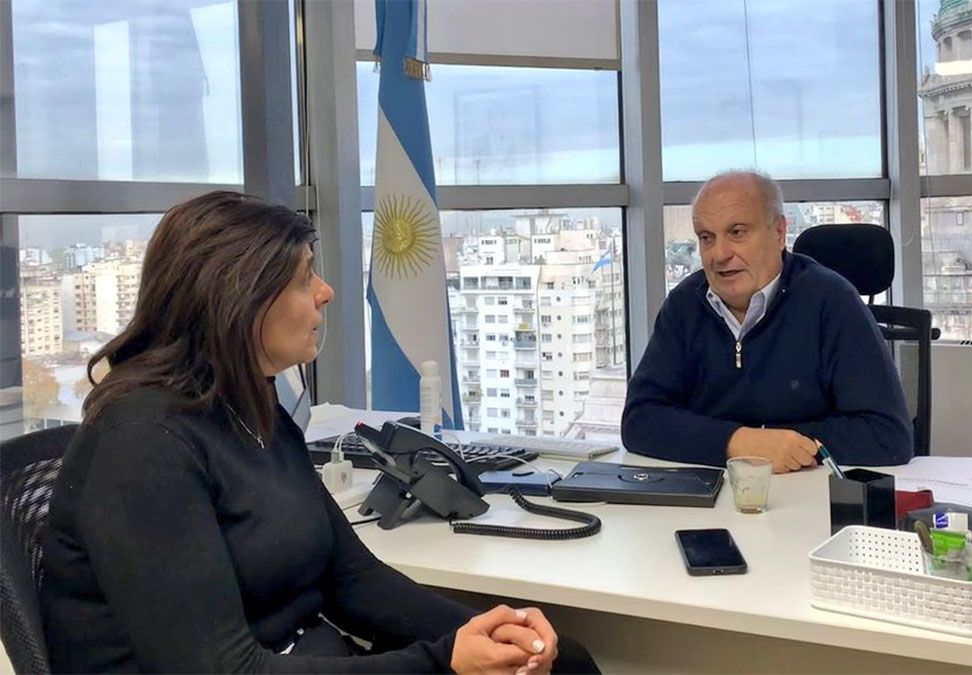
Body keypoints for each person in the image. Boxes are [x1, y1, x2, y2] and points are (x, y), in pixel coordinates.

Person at [38, 191, 599, 674]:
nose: (326, 291)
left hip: (306, 654)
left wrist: (494, 632)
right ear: (240, 300)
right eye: (305, 276)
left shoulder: (249, 404)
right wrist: (443, 661)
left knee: (565, 661)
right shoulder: (142, 441)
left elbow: (351, 577)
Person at [621, 171, 913, 473]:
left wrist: (785, 445)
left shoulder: (832, 302)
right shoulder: (685, 304)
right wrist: (739, 443)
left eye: (737, 232)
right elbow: (639, 419)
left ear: (778, 233)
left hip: (807, 495)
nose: (719, 254)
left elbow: (887, 435)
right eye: (707, 238)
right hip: (713, 491)